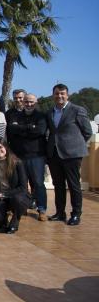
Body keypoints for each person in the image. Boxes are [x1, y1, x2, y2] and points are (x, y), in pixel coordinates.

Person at [46, 84, 93, 226]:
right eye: (56, 93)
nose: (59, 96)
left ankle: (76, 214)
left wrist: (75, 146)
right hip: (54, 154)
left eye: (62, 93)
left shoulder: (77, 110)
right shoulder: (50, 112)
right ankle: (60, 213)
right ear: (53, 95)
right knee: (58, 185)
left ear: (68, 95)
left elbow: (87, 132)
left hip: (72, 154)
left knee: (73, 185)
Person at [6, 93, 48, 220]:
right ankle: (22, 207)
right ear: (23, 102)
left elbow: (40, 131)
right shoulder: (15, 115)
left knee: (38, 183)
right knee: (20, 183)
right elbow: (12, 129)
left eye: (31, 102)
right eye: (26, 102)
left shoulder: (41, 116)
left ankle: (41, 209)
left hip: (36, 156)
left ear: (36, 103)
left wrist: (21, 129)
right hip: (19, 156)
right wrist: (30, 128)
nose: (29, 104)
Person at [0, 138, 30, 234]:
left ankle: (15, 220)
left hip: (16, 196)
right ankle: (2, 220)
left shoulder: (17, 163)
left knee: (18, 200)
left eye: (0, 147)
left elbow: (23, 187)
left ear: (6, 148)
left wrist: (3, 194)